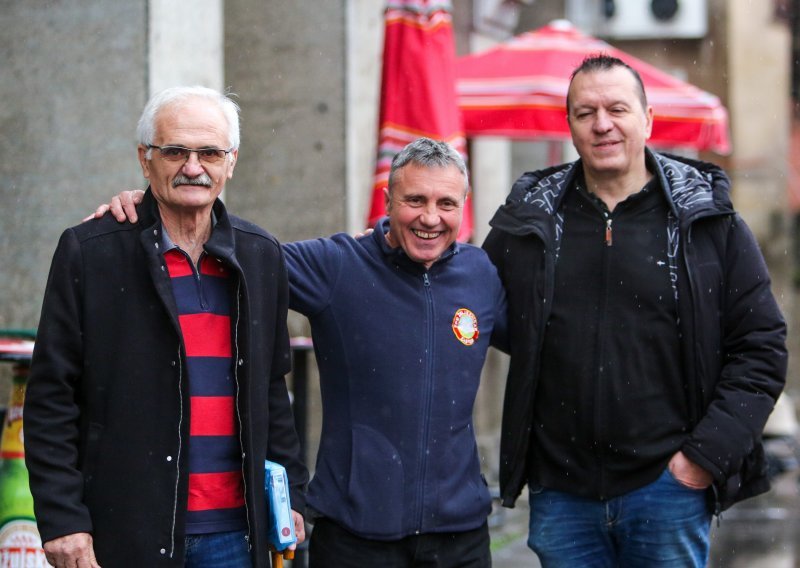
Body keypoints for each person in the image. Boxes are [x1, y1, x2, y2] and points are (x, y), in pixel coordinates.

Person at [96, 137, 508, 567]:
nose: (429, 218)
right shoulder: (338, 265)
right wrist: (150, 211)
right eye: (415, 200)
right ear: (387, 201)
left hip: (462, 535)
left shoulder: (480, 274)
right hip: (355, 535)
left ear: (465, 205)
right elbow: (233, 251)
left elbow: (541, 337)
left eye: (446, 203)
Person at [482, 54, 788, 567]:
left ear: (647, 119)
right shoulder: (530, 222)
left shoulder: (707, 222)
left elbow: (761, 348)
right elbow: (463, 296)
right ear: (571, 126)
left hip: (666, 489)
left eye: (617, 109)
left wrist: (702, 459)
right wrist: (386, 254)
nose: (602, 124)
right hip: (561, 493)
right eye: (585, 113)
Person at [24, 86, 308, 568]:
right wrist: (63, 518)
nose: (192, 166)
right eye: (175, 151)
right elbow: (51, 396)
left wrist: (292, 497)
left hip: (238, 536)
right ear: (145, 159)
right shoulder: (92, 252)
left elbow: (271, 393)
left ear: (231, 162)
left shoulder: (260, 255)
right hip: (124, 530)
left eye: (209, 152)